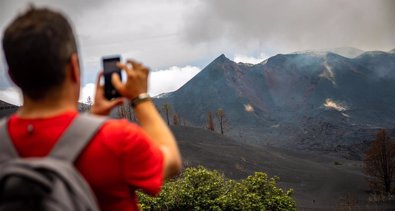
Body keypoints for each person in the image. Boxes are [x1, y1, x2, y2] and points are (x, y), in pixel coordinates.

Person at [1, 6, 182, 211]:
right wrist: (140, 98)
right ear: (74, 68)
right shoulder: (118, 140)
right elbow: (171, 161)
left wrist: (91, 121)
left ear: (12, 77)